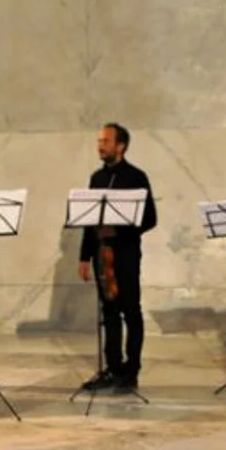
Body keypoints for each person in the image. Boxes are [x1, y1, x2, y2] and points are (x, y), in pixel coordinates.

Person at [78, 123, 158, 392]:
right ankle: (112, 368)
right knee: (109, 313)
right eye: (99, 141)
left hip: (125, 255)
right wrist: (83, 257)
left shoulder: (136, 177)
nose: (100, 145)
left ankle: (131, 371)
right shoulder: (96, 178)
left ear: (120, 145)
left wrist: (121, 230)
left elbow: (150, 218)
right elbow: (90, 222)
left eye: (106, 141)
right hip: (102, 256)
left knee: (131, 312)